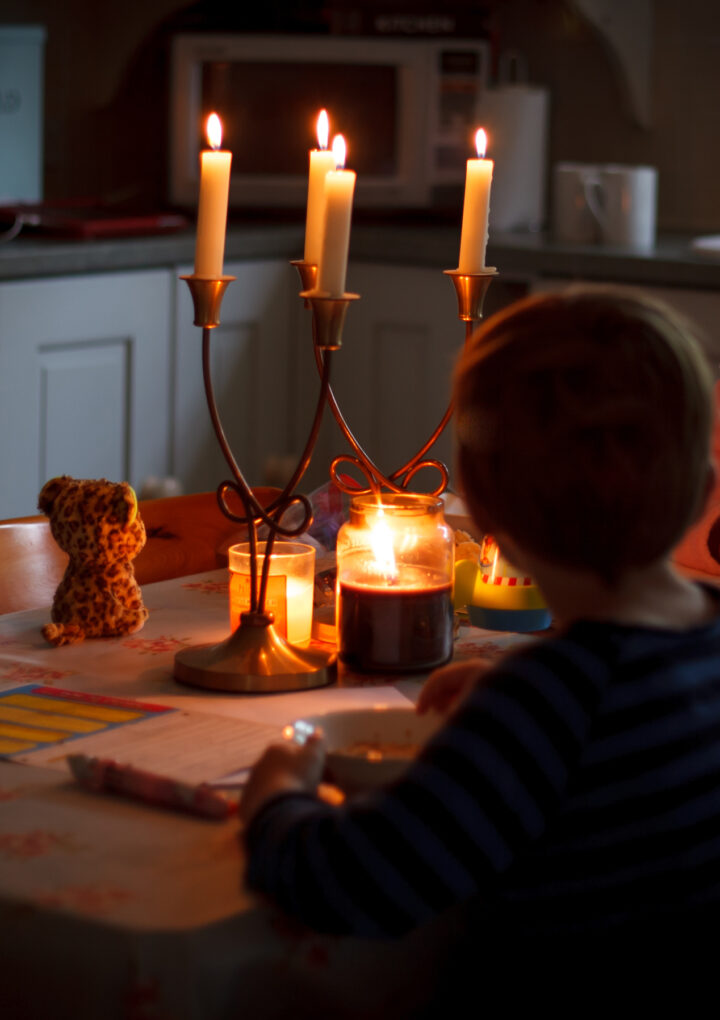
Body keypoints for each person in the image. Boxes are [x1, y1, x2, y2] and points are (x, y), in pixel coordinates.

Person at [240, 286, 720, 992]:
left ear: (484, 508)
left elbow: (359, 883)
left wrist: (276, 791)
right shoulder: (676, 649)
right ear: (707, 491)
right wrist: (525, 677)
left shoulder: (550, 707)